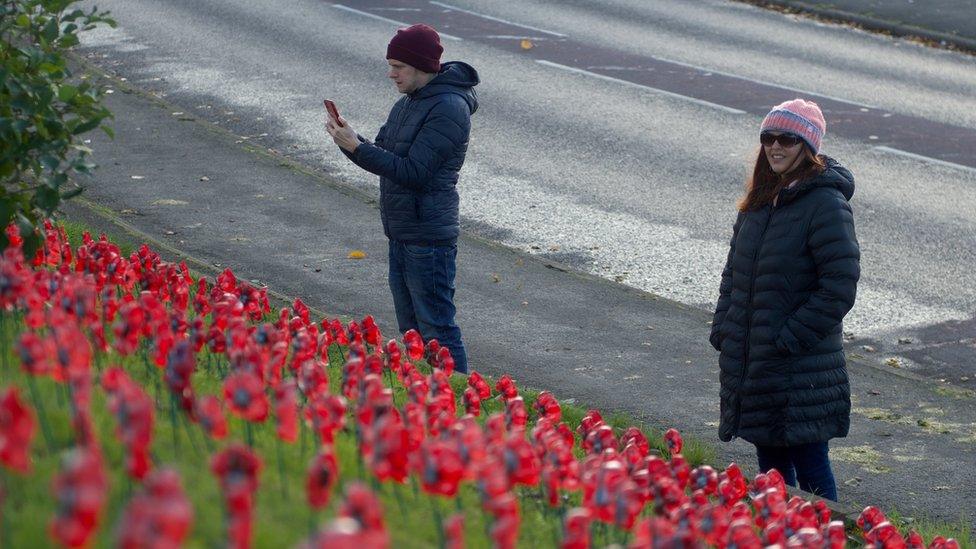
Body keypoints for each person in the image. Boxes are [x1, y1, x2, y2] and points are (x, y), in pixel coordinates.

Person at [709, 99, 860, 501]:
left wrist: (787, 338)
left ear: (807, 146)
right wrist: (724, 326)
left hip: (799, 367)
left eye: (787, 139)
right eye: (768, 138)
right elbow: (733, 274)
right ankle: (782, 534)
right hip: (757, 361)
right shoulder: (760, 201)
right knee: (771, 467)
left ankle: (822, 538)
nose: (775, 147)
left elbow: (839, 287)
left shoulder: (826, 205)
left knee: (811, 467)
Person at [326, 23, 478, 374]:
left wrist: (358, 148)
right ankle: (425, 399)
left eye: (398, 66)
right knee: (411, 332)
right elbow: (383, 156)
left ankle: (457, 403)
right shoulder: (410, 103)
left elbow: (414, 173)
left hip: (428, 237)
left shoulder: (448, 108)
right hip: (403, 232)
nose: (390, 73)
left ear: (422, 66)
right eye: (390, 64)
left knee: (438, 329)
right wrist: (349, 141)